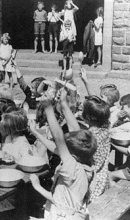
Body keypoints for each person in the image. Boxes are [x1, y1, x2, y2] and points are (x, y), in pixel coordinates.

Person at [29, 90, 97, 220]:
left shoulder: (73, 168)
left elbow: (59, 139)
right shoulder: (86, 159)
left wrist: (48, 108)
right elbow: (75, 132)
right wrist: (63, 103)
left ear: (73, 156)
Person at [82, 95, 111, 201]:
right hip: (102, 177)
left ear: (87, 117)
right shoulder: (105, 127)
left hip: (92, 180)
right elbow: (101, 112)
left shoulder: (90, 137)